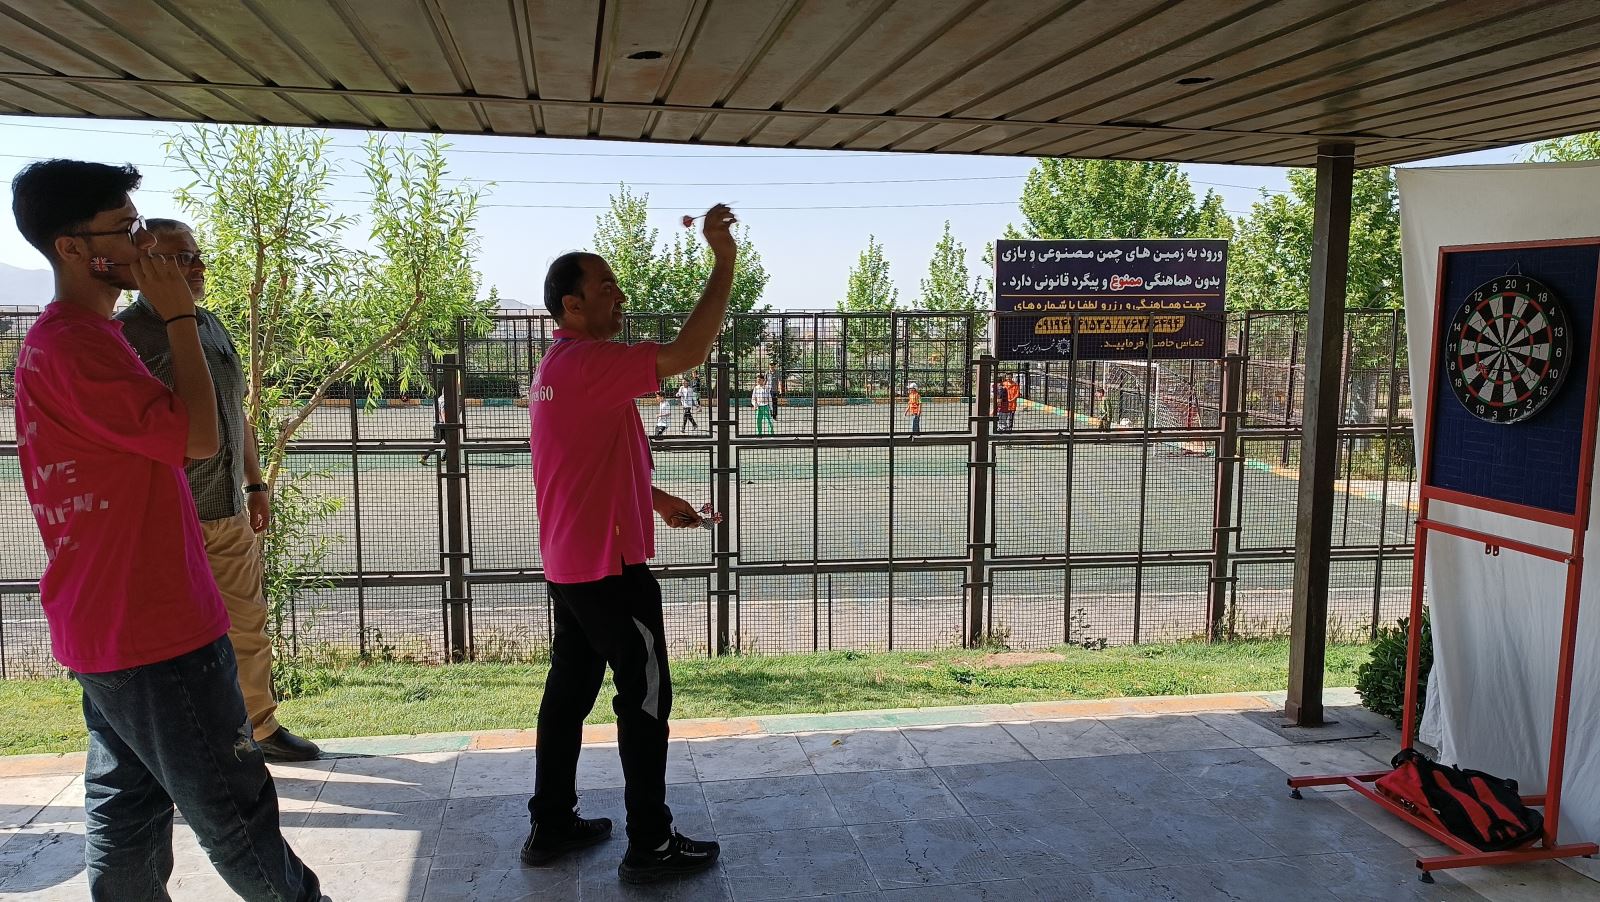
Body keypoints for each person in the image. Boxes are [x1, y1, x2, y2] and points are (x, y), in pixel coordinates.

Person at [9, 159, 322, 901]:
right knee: (236, 814)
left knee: (129, 805)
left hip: (113, 619)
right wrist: (178, 315)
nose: (145, 244)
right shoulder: (81, 344)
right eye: (127, 229)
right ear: (73, 248)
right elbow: (197, 437)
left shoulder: (78, 338)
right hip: (154, 624)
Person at [523, 204, 736, 884]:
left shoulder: (558, 366)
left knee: (568, 695)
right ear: (572, 304)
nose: (620, 293)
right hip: (610, 573)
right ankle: (651, 842)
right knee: (644, 696)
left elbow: (594, 463)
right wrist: (723, 260)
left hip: (571, 567)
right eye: (606, 285)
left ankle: (551, 823)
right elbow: (688, 352)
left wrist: (660, 501)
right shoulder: (589, 362)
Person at [118, 218, 321, 763]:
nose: (197, 266)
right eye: (180, 257)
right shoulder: (125, 336)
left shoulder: (209, 325)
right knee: (172, 641)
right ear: (146, 264)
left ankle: (260, 728)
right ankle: (180, 747)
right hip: (165, 519)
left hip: (228, 512)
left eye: (196, 255)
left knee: (248, 627)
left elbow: (236, 413)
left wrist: (255, 483)